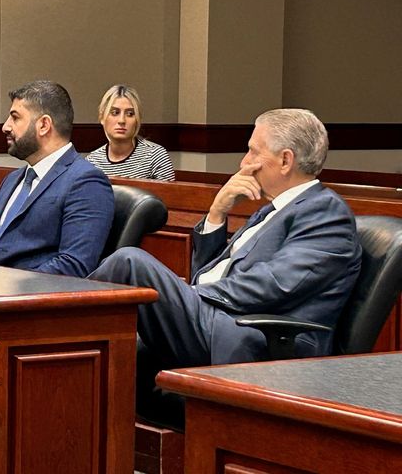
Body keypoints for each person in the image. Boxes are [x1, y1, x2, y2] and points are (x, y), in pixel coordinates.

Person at [89, 108, 362, 418]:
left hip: (257, 342)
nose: (244, 163)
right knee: (118, 347)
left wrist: (191, 295)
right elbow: (208, 273)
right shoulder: (271, 210)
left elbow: (275, 284)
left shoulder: (325, 213)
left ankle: (49, 334)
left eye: (253, 151)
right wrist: (217, 213)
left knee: (131, 262)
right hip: (220, 319)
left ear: (285, 160)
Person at [0, 80, 114, 277]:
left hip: (22, 298)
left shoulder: (86, 182)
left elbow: (74, 265)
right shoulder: (12, 180)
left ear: (44, 125)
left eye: (15, 118)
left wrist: (7, 286)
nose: (6, 126)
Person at [86, 84, 175, 181]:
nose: (122, 121)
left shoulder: (155, 156)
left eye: (130, 114)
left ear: (137, 120)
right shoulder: (92, 161)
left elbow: (168, 195)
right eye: (115, 113)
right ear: (102, 117)